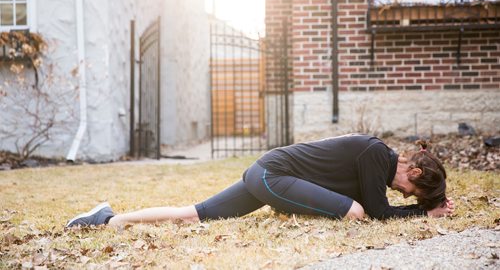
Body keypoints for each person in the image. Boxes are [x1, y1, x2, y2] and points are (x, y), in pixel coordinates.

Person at [66, 134, 455, 228]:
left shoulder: (375, 160)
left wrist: (423, 207)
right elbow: (376, 211)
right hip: (272, 175)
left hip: (268, 175)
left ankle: (107, 219)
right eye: (413, 190)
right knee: (353, 213)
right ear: (414, 174)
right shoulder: (376, 155)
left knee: (192, 216)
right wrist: (423, 212)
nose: (404, 192)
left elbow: (379, 204)